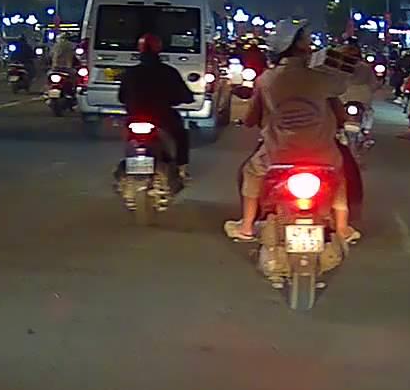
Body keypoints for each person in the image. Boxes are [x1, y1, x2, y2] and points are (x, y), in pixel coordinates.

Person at [224, 20, 360, 247]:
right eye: (306, 38)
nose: (310, 42)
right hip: (322, 153)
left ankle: (246, 226)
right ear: (297, 44)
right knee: (339, 177)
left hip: (278, 154)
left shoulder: (266, 79)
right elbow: (340, 97)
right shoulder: (320, 77)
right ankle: (343, 227)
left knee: (251, 172)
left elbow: (250, 119)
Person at [117, 33, 194, 187]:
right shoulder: (168, 72)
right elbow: (185, 95)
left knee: (129, 138)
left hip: (135, 117)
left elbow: (121, 97)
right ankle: (181, 168)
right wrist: (184, 99)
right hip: (162, 116)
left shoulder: (130, 73)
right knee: (181, 136)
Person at [336, 37, 382, 146]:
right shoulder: (365, 67)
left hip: (343, 96)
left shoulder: (339, 66)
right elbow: (374, 84)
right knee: (368, 112)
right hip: (363, 98)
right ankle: (366, 132)